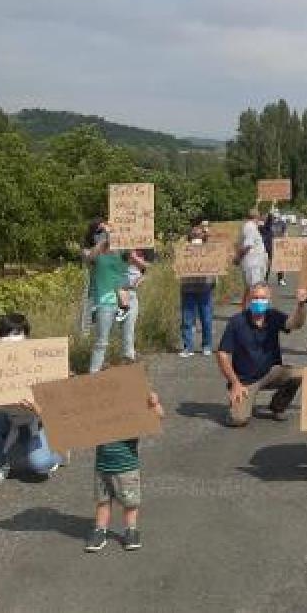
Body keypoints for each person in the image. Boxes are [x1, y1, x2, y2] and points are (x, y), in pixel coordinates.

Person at [0, 313, 64, 487]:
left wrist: (38, 409)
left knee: (41, 464)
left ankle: (57, 449)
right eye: (6, 334)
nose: (12, 339)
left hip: (39, 421)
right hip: (9, 418)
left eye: (17, 333)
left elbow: (58, 407)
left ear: (27, 337)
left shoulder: (43, 361)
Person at [216, 282, 307, 426]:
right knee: (238, 420)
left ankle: (277, 406)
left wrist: (301, 305)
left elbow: (295, 324)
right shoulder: (237, 322)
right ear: (248, 300)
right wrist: (235, 383)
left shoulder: (273, 316)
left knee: (299, 374)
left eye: (262, 298)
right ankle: (241, 402)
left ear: (269, 300)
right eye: (255, 298)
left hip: (270, 372)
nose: (259, 301)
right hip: (245, 381)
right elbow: (222, 353)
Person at [85, 391, 164, 553]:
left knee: (130, 503)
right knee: (103, 501)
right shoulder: (100, 412)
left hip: (127, 468)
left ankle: (131, 530)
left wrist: (154, 404)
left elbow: (158, 417)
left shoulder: (133, 410)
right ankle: (100, 530)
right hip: (102, 468)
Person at [86, 227, 136, 373]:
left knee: (128, 338)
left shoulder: (123, 252)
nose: (105, 233)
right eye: (100, 231)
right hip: (104, 301)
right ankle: (94, 373)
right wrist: (104, 241)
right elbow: (90, 258)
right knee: (102, 340)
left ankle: (130, 374)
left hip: (125, 299)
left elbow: (135, 259)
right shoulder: (92, 252)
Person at [179, 222, 216, 359]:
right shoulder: (208, 250)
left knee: (190, 319)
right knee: (204, 318)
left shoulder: (185, 250)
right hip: (201, 287)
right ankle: (205, 346)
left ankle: (190, 347)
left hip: (192, 288)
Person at [237, 209, 270, 309]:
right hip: (253, 264)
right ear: (257, 217)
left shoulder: (252, 226)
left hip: (255, 263)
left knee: (250, 288)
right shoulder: (250, 227)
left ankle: (245, 310)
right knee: (255, 289)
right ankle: (254, 311)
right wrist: (238, 257)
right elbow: (248, 245)